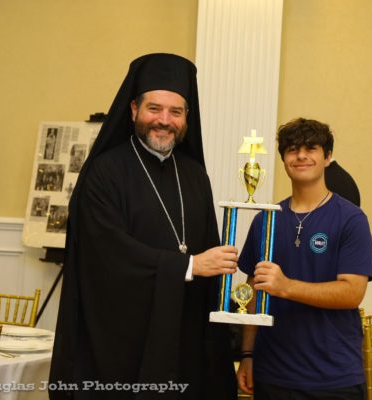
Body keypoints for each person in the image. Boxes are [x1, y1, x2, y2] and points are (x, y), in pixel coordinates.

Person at [49, 54, 238, 400]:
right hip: (122, 349)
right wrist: (188, 265)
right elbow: (106, 255)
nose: (164, 121)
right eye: (154, 109)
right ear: (134, 109)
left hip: (184, 342)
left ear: (187, 117)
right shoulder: (105, 173)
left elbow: (208, 250)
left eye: (175, 112)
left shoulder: (195, 176)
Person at [236, 118, 372, 400]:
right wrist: (247, 354)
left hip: (333, 378)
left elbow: (352, 293)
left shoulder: (351, 219)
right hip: (272, 373)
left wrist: (286, 286)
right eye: (292, 149)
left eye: (311, 148)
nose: (300, 155)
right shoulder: (265, 220)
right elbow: (252, 291)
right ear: (283, 160)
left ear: (327, 157)